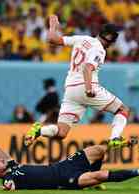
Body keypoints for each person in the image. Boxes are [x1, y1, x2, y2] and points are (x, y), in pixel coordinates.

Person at [25, 15, 130, 148]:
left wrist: (53, 25)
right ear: (110, 37)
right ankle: (115, 138)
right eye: (114, 37)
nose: (114, 41)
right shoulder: (99, 49)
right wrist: (88, 88)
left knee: (61, 132)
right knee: (122, 109)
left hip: (70, 91)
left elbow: (52, 39)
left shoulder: (82, 38)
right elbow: (87, 68)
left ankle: (39, 130)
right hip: (86, 87)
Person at [0, 144, 139, 190]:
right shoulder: (9, 178)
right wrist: (6, 187)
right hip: (63, 180)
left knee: (98, 150)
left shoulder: (12, 165)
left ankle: (124, 142)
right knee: (100, 176)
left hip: (63, 166)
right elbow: (8, 187)